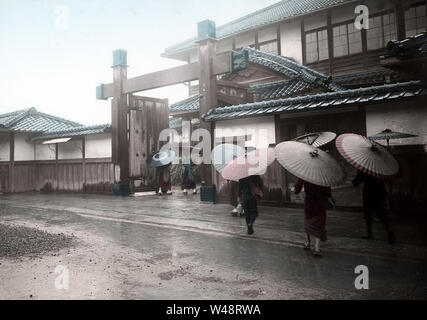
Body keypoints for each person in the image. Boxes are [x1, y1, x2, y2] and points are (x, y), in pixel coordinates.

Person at [352, 170, 396, 244]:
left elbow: (358, 180)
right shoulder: (378, 167)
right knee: (381, 214)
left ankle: (370, 234)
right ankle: (389, 231)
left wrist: (354, 182)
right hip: (380, 191)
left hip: (369, 192)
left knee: (368, 214)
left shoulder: (365, 167)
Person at [295, 179, 332, 257]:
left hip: (310, 203)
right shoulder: (323, 175)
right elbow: (328, 192)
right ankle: (317, 248)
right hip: (321, 203)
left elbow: (297, 189)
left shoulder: (305, 174)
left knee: (308, 222)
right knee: (319, 223)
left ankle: (308, 243)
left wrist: (298, 190)